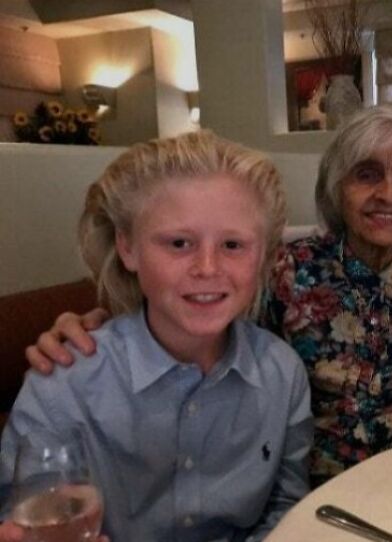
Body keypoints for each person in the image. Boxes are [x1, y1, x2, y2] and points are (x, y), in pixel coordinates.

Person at [23, 107, 392, 488]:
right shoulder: (285, 269)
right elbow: (192, 311)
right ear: (336, 185)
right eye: (367, 173)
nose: (388, 194)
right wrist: (98, 324)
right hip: (323, 494)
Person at [1, 131, 313, 541]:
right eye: (179, 243)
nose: (207, 267)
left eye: (233, 244)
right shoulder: (65, 385)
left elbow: (285, 508)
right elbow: (25, 517)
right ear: (128, 248)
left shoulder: (282, 374)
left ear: (264, 257)